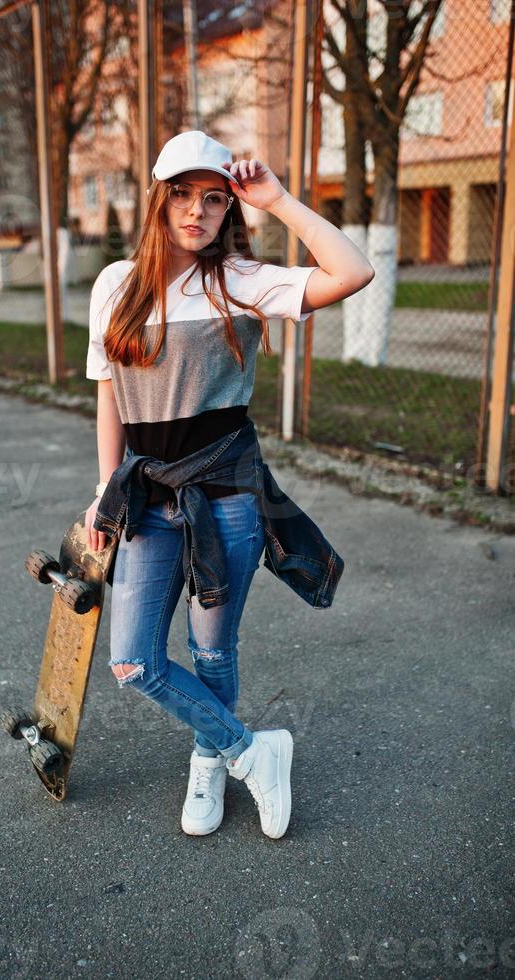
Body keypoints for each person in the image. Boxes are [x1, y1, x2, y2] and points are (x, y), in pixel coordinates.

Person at [84, 130, 374, 840]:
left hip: (227, 499)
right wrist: (103, 490)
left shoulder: (238, 279)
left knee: (212, 650)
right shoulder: (115, 284)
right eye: (182, 195)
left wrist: (277, 202)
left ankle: (208, 762)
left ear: (227, 209)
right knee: (132, 661)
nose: (196, 212)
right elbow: (108, 396)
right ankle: (251, 753)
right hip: (149, 500)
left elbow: (355, 270)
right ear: (159, 200)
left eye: (213, 199)